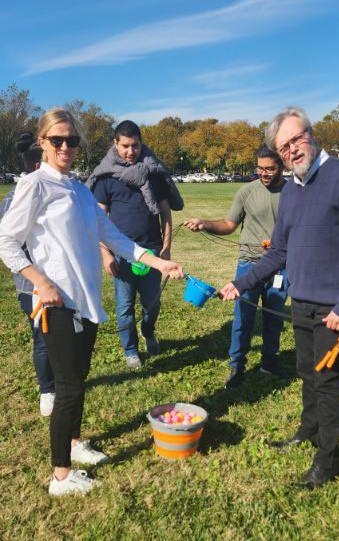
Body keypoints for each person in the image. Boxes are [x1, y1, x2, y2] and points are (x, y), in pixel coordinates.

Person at [0, 108, 183, 496]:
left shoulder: (80, 190)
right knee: (67, 387)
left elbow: (116, 239)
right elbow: (7, 241)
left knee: (78, 381)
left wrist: (159, 261)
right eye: (57, 140)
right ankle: (60, 476)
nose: (65, 147)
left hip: (86, 301)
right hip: (57, 303)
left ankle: (73, 443)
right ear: (43, 143)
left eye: (72, 140)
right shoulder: (35, 185)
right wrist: (39, 281)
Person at [220, 107, 339, 488]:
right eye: (284, 147)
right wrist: (242, 283)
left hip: (334, 308)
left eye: (296, 140)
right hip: (300, 300)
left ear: (311, 134)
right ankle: (309, 429)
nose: (291, 150)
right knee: (306, 372)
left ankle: (327, 459)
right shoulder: (292, 191)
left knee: (327, 378)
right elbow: (278, 251)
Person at [184, 144, 288, 389]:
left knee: (274, 317)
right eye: (260, 168)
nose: (263, 173)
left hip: (280, 267)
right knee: (243, 317)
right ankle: (237, 365)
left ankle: (269, 361)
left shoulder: (294, 192)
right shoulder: (247, 191)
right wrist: (205, 224)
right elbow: (230, 225)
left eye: (270, 169)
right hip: (248, 264)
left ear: (282, 166)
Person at [90, 120, 182, 368]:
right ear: (115, 144)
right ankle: (130, 350)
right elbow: (99, 220)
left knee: (152, 304)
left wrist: (166, 247)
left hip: (151, 251)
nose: (131, 151)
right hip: (121, 255)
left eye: (136, 146)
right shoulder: (106, 179)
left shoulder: (153, 175)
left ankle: (148, 331)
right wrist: (106, 254)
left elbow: (166, 214)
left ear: (142, 144)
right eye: (125, 146)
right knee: (124, 307)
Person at [0, 131, 55, 416]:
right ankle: (48, 391)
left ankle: (61, 381)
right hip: (31, 286)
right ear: (37, 165)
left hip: (59, 281)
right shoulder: (17, 197)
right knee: (44, 338)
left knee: (59, 335)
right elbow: (8, 241)